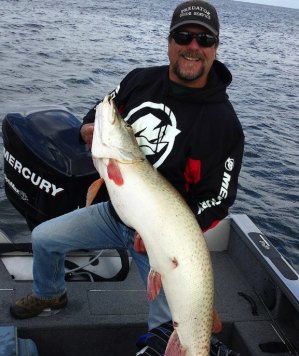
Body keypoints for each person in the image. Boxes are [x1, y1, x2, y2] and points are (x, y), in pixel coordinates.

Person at [10, 0, 244, 328]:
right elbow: (104, 110)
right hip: (112, 213)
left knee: (165, 324)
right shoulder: (141, 80)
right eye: (183, 36)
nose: (192, 47)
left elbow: (218, 200)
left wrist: (162, 234)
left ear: (215, 48)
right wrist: (86, 127)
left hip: (160, 240)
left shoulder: (224, 125)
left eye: (203, 40)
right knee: (45, 238)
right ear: (169, 42)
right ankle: (51, 294)